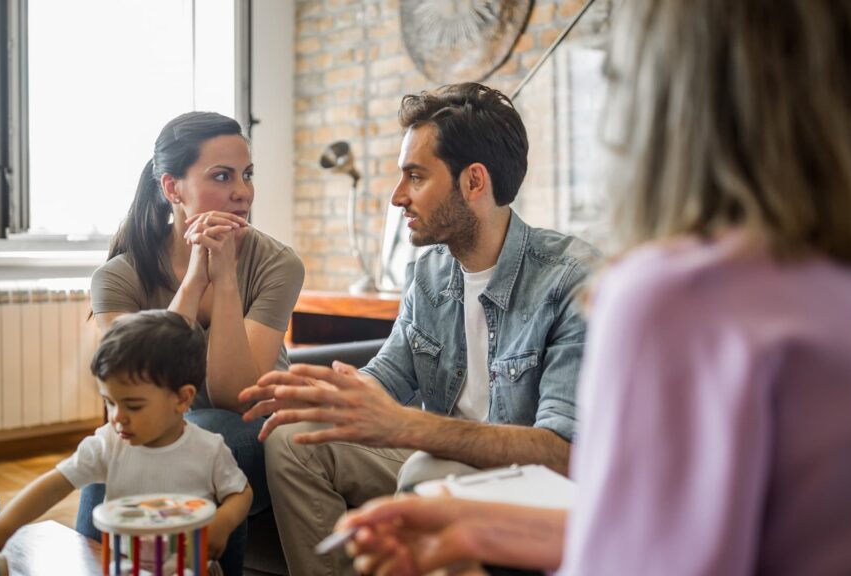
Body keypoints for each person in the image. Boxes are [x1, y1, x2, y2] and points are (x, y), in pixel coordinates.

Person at [337, 0, 851, 574]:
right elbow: (695, 533)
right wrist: (484, 527)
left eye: (617, 78)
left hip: (519, 472)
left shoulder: (665, 297)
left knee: (421, 477)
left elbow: (646, 557)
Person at [239, 82, 598, 575]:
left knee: (427, 467)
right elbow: (389, 371)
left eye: (415, 176)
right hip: (440, 457)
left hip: (530, 489)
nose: (397, 196)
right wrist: (332, 393)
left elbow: (563, 454)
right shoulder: (430, 273)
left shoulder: (570, 280)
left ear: (474, 182)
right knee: (295, 440)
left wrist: (410, 425)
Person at [76, 111, 304, 545]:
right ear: (171, 188)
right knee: (121, 447)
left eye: (247, 175)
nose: (242, 193)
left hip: (249, 431)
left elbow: (236, 397)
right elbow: (142, 379)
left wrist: (227, 281)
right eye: (222, 176)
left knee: (212, 433)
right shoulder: (118, 278)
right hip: (152, 430)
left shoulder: (278, 264)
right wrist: (196, 277)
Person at [0, 310, 253, 575]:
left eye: (133, 406)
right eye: (110, 403)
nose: (118, 418)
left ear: (182, 398)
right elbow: (55, 484)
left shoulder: (208, 449)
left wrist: (223, 522)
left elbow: (241, 493)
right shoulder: (109, 443)